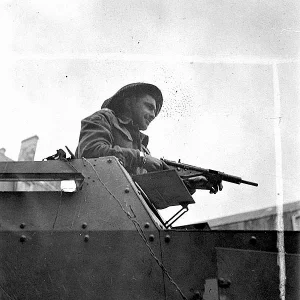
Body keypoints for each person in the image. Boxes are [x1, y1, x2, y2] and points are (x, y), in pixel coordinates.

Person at [75, 82, 222, 194]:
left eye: (155, 110)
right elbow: (90, 152)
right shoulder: (104, 118)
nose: (153, 114)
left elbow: (150, 191)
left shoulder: (142, 148)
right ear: (128, 103)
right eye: (149, 107)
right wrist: (142, 159)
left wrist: (190, 183)